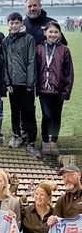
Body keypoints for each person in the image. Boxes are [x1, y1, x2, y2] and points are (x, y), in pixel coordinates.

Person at [36, 22, 74, 156]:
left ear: (60, 34)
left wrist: (66, 91)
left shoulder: (65, 50)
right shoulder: (39, 48)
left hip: (58, 89)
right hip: (43, 89)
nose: (53, 34)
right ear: (45, 33)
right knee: (47, 116)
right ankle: (45, 141)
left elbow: (69, 72)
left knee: (56, 116)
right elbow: (35, 69)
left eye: (56, 32)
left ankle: (54, 141)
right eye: (50, 32)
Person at [3, 12, 38, 155]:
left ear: (21, 24)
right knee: (14, 111)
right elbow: (5, 63)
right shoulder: (6, 41)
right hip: (13, 84)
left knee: (29, 112)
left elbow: (32, 61)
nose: (14, 25)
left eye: (17, 23)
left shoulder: (29, 39)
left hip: (26, 84)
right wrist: (7, 82)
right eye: (11, 23)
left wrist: (30, 83)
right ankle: (16, 135)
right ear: (8, 24)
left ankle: (31, 141)